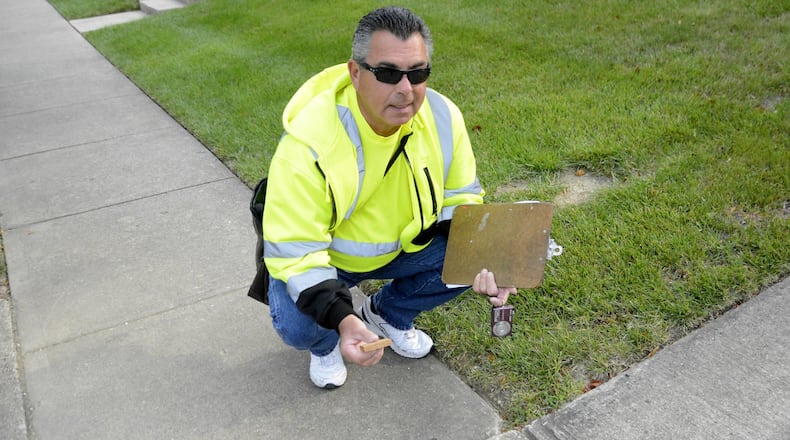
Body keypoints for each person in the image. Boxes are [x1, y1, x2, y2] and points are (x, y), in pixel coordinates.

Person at [262, 6, 516, 389]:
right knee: (298, 326)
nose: (405, 89)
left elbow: (462, 199)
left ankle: (387, 314)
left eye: (418, 73)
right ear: (355, 73)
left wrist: (488, 260)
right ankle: (326, 342)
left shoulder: (444, 116)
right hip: (327, 259)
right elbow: (298, 254)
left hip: (403, 246)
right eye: (387, 73)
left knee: (476, 251)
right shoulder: (308, 145)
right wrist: (344, 322)